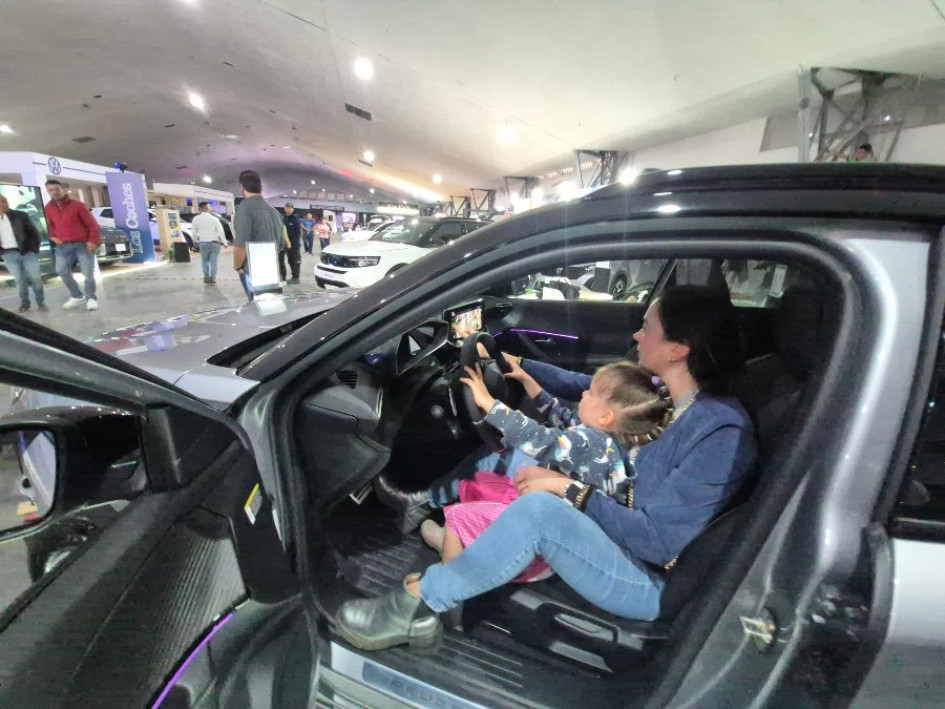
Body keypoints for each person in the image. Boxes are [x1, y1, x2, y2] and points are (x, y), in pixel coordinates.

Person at [337, 286, 758, 650]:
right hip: (617, 523)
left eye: (647, 327)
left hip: (646, 579)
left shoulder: (720, 431)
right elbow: (583, 387)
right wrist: (510, 364)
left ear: (676, 350)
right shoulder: (661, 392)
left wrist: (566, 489)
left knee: (540, 511)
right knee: (527, 456)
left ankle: (417, 603)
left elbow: (658, 543)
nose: (636, 334)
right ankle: (455, 526)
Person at [423, 361, 671, 585]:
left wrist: (488, 403)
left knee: (459, 516)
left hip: (548, 543)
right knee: (489, 487)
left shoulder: (589, 442)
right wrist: (526, 380)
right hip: (564, 527)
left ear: (606, 416)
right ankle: (473, 547)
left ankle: (447, 583)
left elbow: (539, 439)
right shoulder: (608, 441)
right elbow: (560, 415)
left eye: (590, 393)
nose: (583, 394)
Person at [43, 179, 101, 311]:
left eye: (57, 189)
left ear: (62, 189)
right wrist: (52, 237)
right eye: (51, 190)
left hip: (82, 245)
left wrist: (92, 241)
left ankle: (91, 298)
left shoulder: (78, 206)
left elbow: (93, 226)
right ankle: (76, 296)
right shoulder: (48, 208)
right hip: (63, 246)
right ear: (47, 191)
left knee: (87, 272)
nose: (54, 192)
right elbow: (50, 226)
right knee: (61, 270)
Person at [233, 170, 283, 302]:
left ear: (243, 188)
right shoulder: (274, 211)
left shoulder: (244, 209)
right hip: (273, 267)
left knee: (257, 308)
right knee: (273, 307)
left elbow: (240, 245)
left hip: (253, 269)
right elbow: (281, 244)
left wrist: (238, 266)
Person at [0, 195, 46, 312]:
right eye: (0, 202)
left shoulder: (20, 215)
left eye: (4, 201)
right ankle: (25, 303)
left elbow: (34, 233)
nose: (3, 204)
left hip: (27, 252)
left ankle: (40, 302)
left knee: (36, 278)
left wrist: (33, 249)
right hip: (8, 254)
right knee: (20, 280)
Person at [192, 201, 227, 285]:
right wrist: (224, 242)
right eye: (210, 207)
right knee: (214, 262)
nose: (211, 208)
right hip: (214, 243)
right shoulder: (214, 219)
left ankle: (206, 276)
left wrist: (195, 241)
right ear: (207, 208)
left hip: (203, 243)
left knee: (204, 261)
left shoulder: (196, 219)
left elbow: (194, 232)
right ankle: (213, 280)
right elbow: (220, 232)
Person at [281, 203, 302, 283]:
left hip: (294, 244)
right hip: (286, 244)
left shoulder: (295, 219)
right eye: (287, 207)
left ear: (293, 209)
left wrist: (290, 241)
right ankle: (294, 275)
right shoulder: (283, 218)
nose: (288, 209)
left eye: (290, 208)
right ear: (284, 208)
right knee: (290, 260)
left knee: (296, 260)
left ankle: (296, 277)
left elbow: (298, 233)